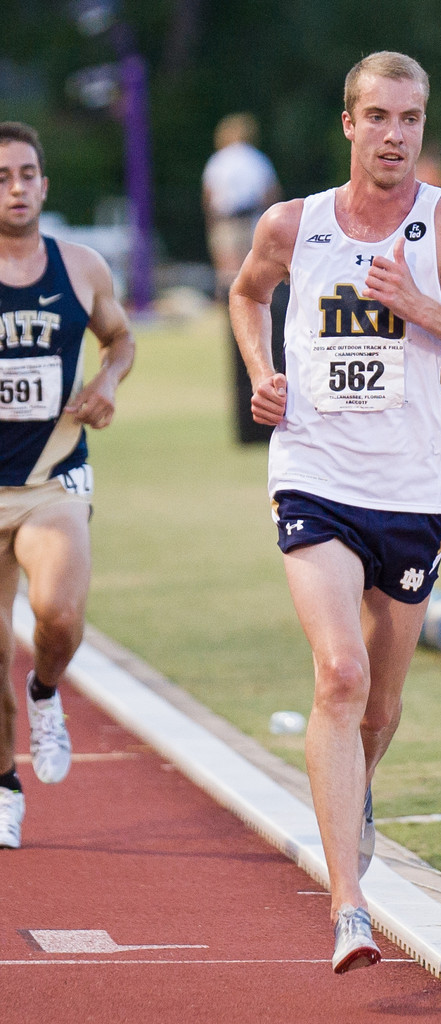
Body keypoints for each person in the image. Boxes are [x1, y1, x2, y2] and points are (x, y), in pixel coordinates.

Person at [229, 52, 441, 973]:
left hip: (409, 490)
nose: (394, 134)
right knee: (339, 671)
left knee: (382, 704)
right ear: (348, 124)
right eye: (377, 117)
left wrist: (422, 308)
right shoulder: (293, 224)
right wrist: (262, 374)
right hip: (314, 474)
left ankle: (354, 789)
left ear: (421, 128)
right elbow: (247, 294)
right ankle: (348, 906)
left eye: (410, 119)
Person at [0, 122, 135, 849]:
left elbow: (120, 338)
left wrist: (107, 380)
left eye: (26, 174)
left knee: (58, 614)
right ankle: (3, 785)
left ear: (44, 185)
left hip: (52, 476)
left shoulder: (80, 267)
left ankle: (46, 692)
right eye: (1, 177)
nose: (15, 187)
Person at [202, 113, 283, 443]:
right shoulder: (257, 159)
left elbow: (209, 198)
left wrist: (212, 228)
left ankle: (231, 308)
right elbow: (270, 194)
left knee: (230, 279)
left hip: (226, 221)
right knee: (254, 278)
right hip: (251, 220)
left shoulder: (217, 161)